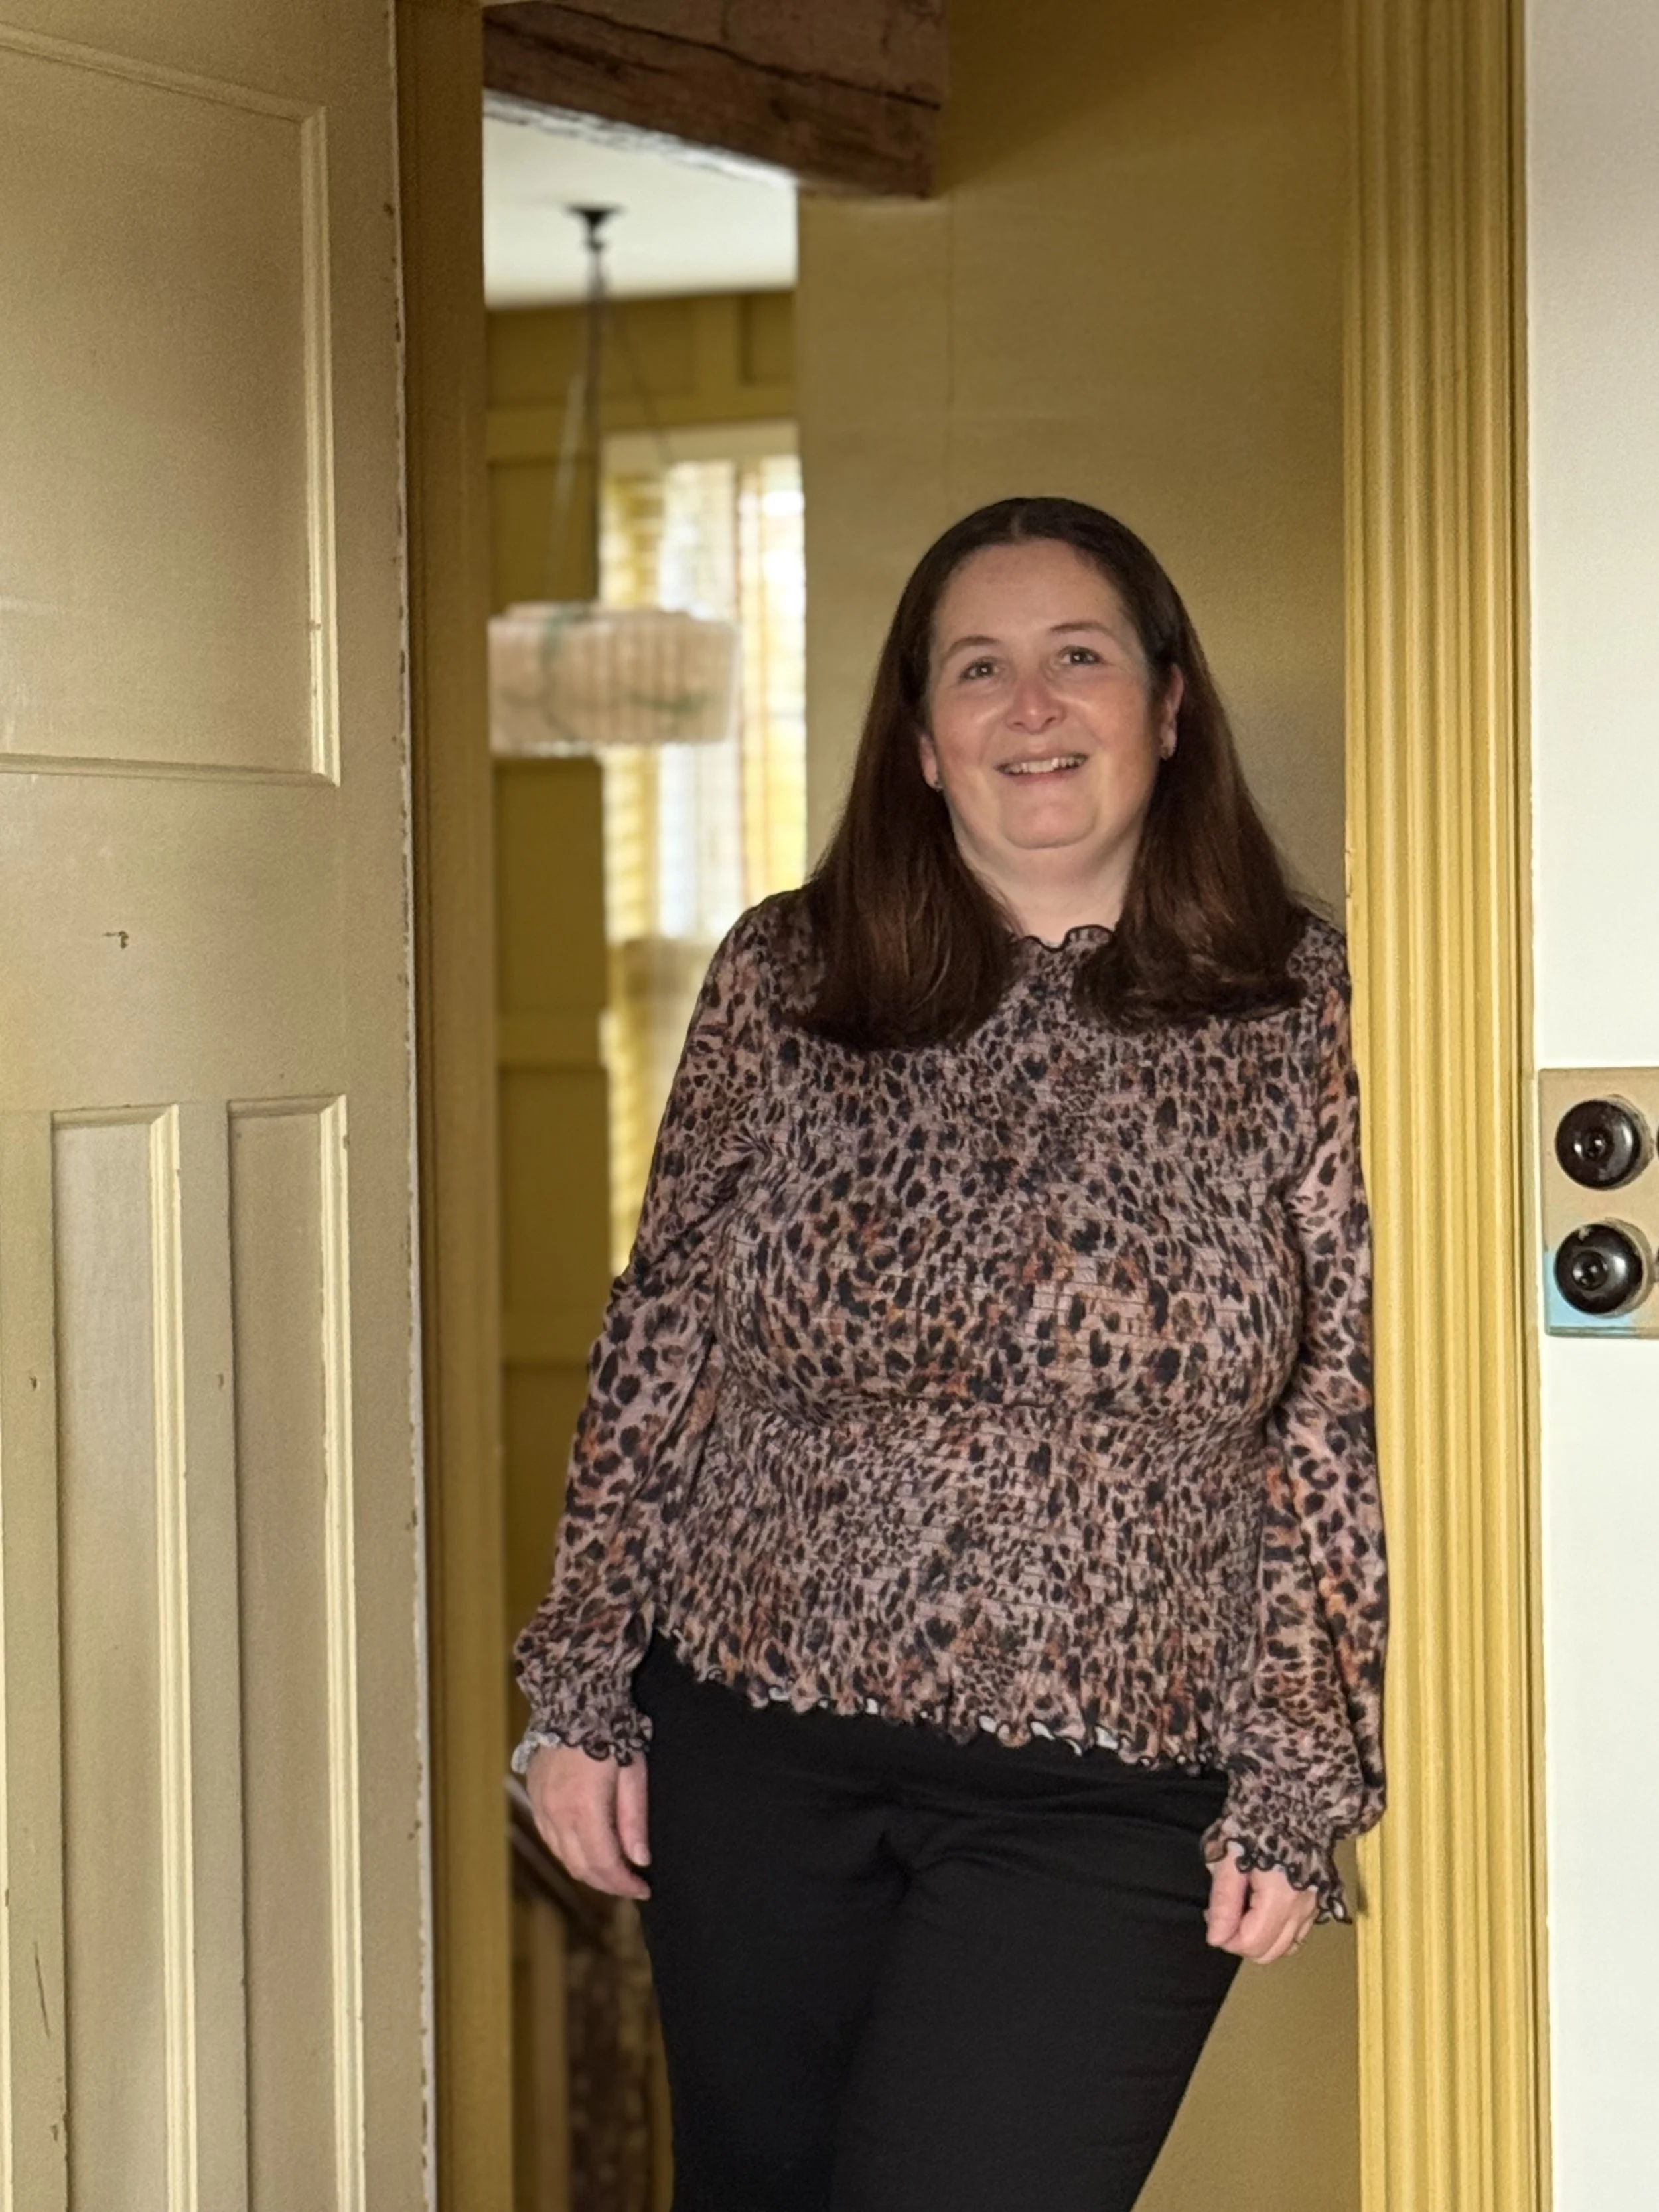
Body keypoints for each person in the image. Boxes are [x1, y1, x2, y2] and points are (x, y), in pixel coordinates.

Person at [516, 495, 1388, 2212]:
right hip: (752, 1751)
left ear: (1169, 705)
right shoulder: (787, 974)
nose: (1030, 706)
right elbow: (664, 1334)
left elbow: (1331, 1408)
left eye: (1078, 657)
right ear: (918, 738)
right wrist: (580, 1688)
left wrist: (1300, 1763)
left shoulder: (1304, 1010)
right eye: (977, 668)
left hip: (1111, 1792)